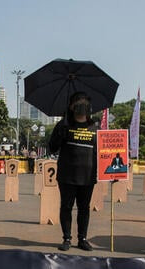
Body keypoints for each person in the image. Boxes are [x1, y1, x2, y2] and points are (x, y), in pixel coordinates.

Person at [48, 92, 98, 251]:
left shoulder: (95, 128)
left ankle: (82, 238)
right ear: (71, 106)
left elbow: (104, 153)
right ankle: (67, 238)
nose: (82, 106)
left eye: (85, 103)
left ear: (90, 107)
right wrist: (59, 135)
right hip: (67, 175)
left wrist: (113, 172)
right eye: (78, 103)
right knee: (66, 206)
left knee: (84, 208)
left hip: (88, 176)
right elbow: (52, 147)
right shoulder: (64, 125)